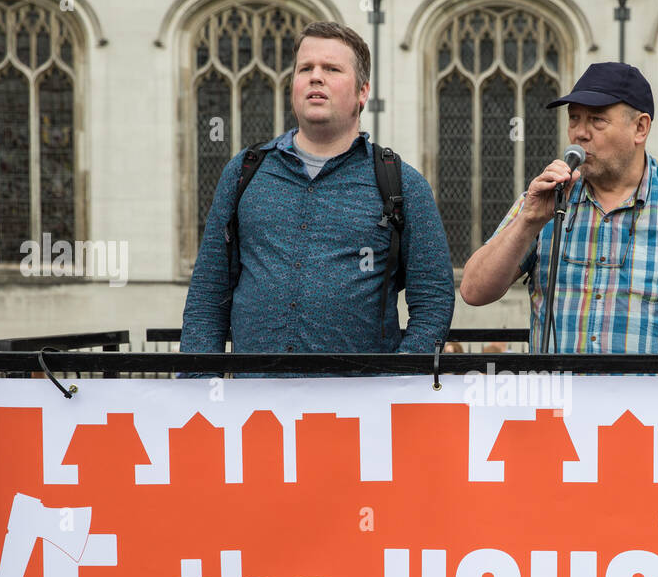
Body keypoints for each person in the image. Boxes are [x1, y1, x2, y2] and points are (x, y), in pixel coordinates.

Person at [180, 21, 455, 362]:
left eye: (332, 69)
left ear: (362, 92)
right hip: (255, 403)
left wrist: (396, 381)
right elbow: (208, 293)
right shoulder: (245, 171)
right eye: (305, 68)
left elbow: (434, 300)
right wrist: (198, 384)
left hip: (362, 405)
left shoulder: (401, 183)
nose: (315, 77)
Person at [461, 62, 658, 354]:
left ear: (640, 127)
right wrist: (528, 221)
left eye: (597, 120)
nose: (580, 133)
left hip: (654, 401)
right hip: (563, 400)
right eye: (574, 119)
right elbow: (474, 291)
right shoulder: (544, 201)